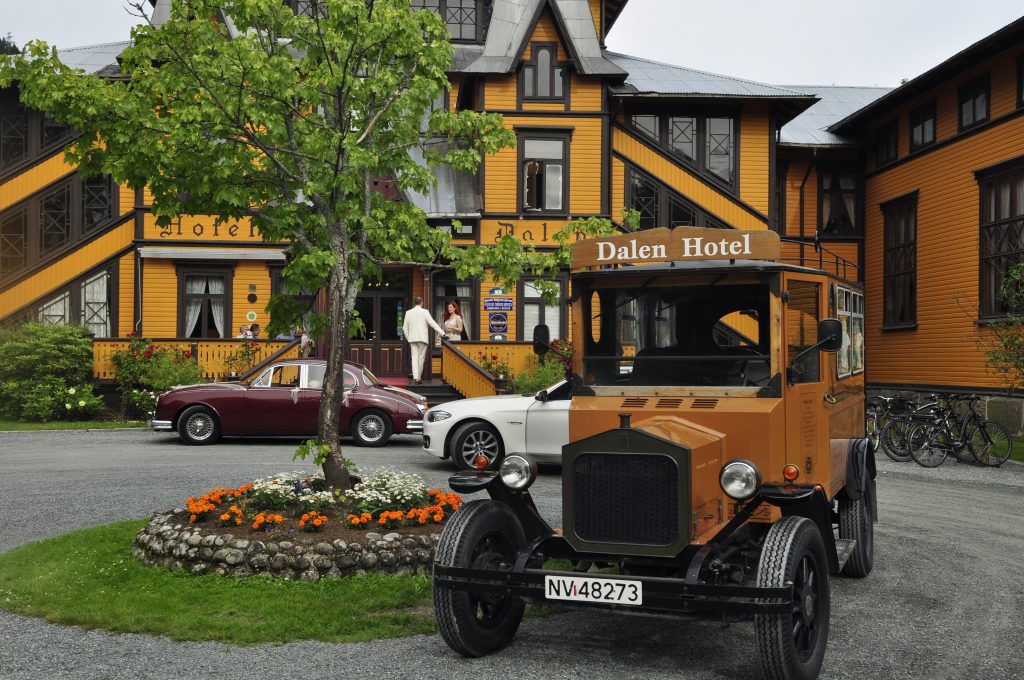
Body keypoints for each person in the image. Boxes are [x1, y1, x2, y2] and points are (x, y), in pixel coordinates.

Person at [402, 296, 445, 385]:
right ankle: (418, 378)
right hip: (422, 339)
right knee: (420, 359)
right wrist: (443, 333)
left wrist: (408, 337)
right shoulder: (425, 312)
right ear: (422, 303)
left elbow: (404, 327)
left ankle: (415, 378)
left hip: (412, 338)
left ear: (415, 303)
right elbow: (432, 323)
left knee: (414, 358)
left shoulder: (408, 313)